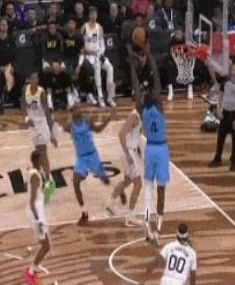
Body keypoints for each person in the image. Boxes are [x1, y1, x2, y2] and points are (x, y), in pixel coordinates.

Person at [106, 60, 143, 227]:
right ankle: (130, 216)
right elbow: (121, 134)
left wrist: (138, 149)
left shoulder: (140, 115)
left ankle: (110, 203)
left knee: (128, 180)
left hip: (131, 150)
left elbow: (134, 136)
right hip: (128, 151)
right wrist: (129, 154)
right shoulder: (134, 115)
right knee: (138, 184)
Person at [62, 105, 111, 225]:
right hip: (81, 158)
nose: (80, 110)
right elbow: (63, 127)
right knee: (75, 182)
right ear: (72, 112)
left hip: (93, 155)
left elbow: (98, 129)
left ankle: (119, 193)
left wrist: (107, 120)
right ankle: (84, 212)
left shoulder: (87, 120)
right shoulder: (70, 125)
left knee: (106, 181)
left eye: (79, 108)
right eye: (76, 109)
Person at [141, 57, 170, 243]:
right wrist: (151, 58)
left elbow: (138, 90)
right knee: (160, 191)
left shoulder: (142, 109)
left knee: (148, 190)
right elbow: (158, 84)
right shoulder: (158, 107)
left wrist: (133, 69)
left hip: (150, 148)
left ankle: (146, 224)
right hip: (160, 149)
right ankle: (158, 229)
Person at [21, 72, 58, 202]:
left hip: (42, 124)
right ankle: (47, 180)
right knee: (39, 155)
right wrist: (26, 119)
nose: (36, 83)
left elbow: (47, 114)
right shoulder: (25, 90)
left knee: (42, 153)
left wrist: (52, 134)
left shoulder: (41, 93)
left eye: (37, 81)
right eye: (34, 81)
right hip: (32, 126)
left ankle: (47, 182)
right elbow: (23, 105)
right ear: (29, 80)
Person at [209, 63, 235, 172]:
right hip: (225, 113)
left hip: (234, 114)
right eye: (233, 70)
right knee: (220, 137)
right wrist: (219, 109)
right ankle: (217, 158)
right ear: (230, 71)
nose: (234, 72)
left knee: (234, 140)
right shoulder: (226, 83)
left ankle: (233, 162)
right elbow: (220, 95)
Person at [23, 149, 51, 285]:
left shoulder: (35, 172)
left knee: (45, 244)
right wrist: (38, 220)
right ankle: (30, 271)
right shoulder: (34, 176)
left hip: (38, 211)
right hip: (36, 213)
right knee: (46, 246)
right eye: (43, 158)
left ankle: (33, 269)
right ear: (39, 160)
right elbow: (31, 201)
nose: (45, 160)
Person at [80, 6, 115, 108]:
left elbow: (102, 45)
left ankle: (110, 96)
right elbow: (81, 46)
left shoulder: (99, 28)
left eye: (94, 14)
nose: (93, 16)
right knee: (97, 67)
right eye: (91, 14)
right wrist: (91, 53)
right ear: (89, 15)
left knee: (110, 68)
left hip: (98, 54)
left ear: (97, 15)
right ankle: (100, 96)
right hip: (88, 55)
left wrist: (100, 54)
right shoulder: (84, 28)